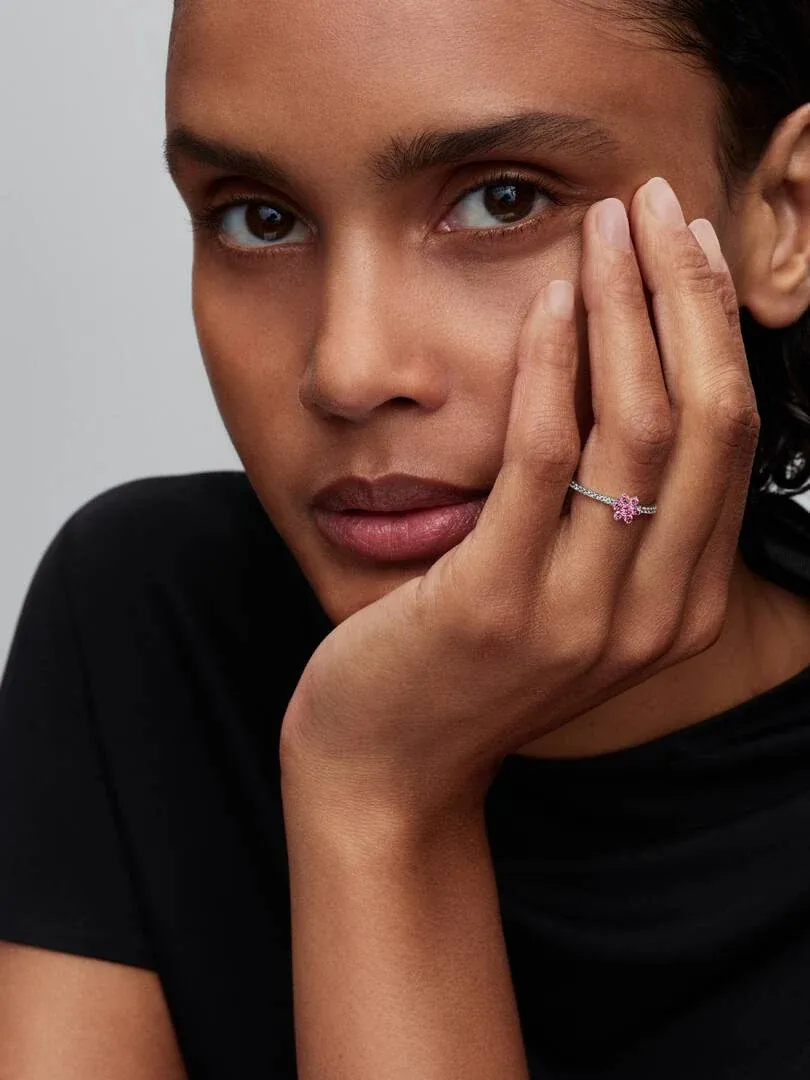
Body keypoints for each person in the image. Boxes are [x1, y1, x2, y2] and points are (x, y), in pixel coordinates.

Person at [2, 0, 810, 1076]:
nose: (347, 368)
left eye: (501, 198)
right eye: (258, 218)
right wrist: (373, 789)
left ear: (784, 217)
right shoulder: (150, 621)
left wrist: (382, 797)